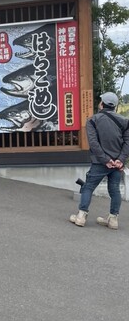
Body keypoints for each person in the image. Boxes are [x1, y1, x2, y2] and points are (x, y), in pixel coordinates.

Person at [70, 92, 129, 229]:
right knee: (114, 190)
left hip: (100, 162)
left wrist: (105, 160)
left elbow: (93, 143)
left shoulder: (92, 120)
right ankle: (113, 220)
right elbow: (127, 142)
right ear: (115, 106)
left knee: (88, 187)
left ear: (102, 104)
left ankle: (81, 216)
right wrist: (120, 160)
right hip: (117, 164)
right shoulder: (125, 121)